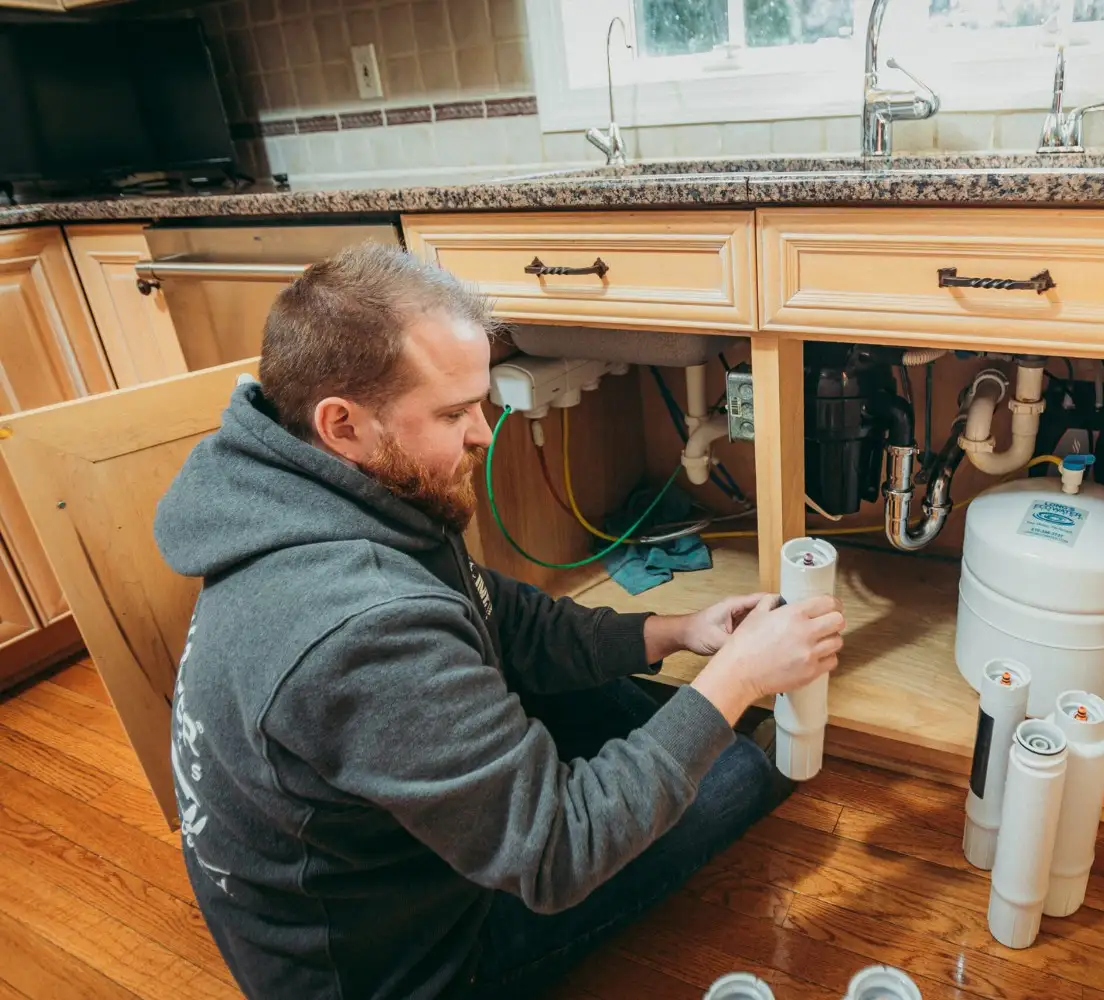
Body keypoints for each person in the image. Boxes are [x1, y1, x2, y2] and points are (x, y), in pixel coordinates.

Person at [153, 243, 844, 1000]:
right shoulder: (358, 629)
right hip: (408, 968)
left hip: (380, 857)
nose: (484, 433)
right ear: (342, 424)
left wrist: (677, 633)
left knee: (643, 712)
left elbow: (493, 614)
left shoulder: (333, 489)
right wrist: (738, 678)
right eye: (453, 413)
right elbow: (559, 852)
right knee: (740, 769)